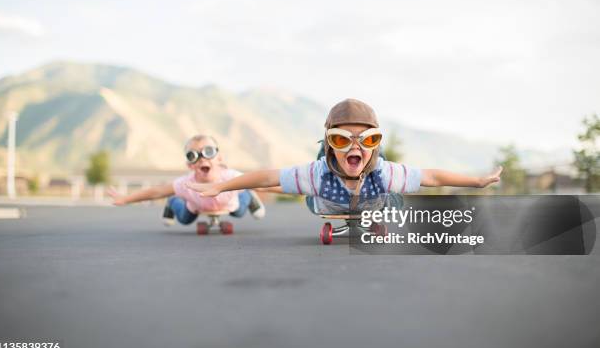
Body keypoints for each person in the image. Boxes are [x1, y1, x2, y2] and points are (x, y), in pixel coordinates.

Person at [185, 99, 502, 214]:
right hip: (325, 199)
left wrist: (477, 181)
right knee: (302, 184)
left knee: (395, 193)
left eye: (367, 140)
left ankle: (371, 153)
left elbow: (431, 177)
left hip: (374, 198)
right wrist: (220, 187)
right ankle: (325, 150)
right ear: (331, 142)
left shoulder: (384, 173)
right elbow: (268, 176)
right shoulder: (316, 173)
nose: (354, 147)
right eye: (340, 139)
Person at [107, 134, 266, 225]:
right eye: (194, 155)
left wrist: (291, 188)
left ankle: (249, 196)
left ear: (219, 158)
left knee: (239, 211)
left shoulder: (231, 176)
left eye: (208, 152)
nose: (202, 159)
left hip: (229, 204)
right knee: (184, 219)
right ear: (189, 164)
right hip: (196, 206)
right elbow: (157, 191)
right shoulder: (186, 184)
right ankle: (172, 202)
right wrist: (126, 198)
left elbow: (263, 183)